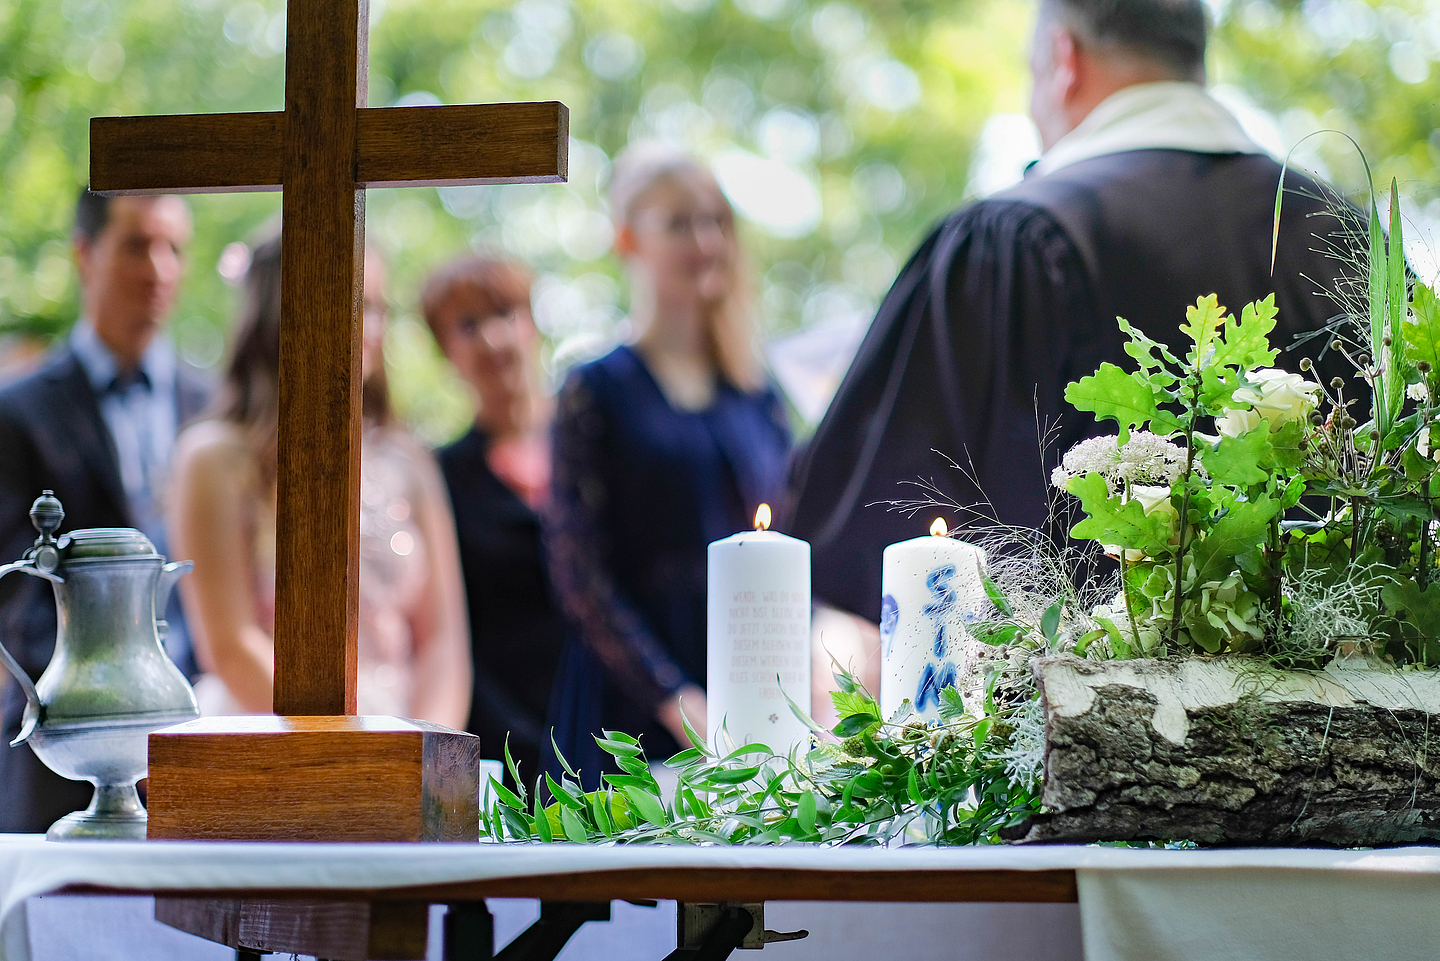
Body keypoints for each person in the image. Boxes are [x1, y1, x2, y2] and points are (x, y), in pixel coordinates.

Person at [785, 0, 1364, 628]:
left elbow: (880, 538)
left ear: (1063, 60)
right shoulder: (1350, 239)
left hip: (1075, 718)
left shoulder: (1013, 241)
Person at [545, 145, 791, 785]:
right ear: (628, 239)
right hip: (622, 710)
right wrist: (678, 699)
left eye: (717, 221)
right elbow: (580, 574)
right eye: (679, 222)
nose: (706, 240)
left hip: (749, 689)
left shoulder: (760, 397)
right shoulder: (593, 389)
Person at [168, 233, 471, 728]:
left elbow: (443, 643)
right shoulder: (214, 458)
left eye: (377, 308)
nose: (369, 327)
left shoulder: (409, 462)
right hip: (269, 732)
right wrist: (346, 746)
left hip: (401, 738)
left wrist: (427, 756)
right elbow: (228, 641)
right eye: (353, 304)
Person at [0, 189, 207, 833]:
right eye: (138, 244)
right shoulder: (20, 411)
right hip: (62, 740)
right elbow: (14, 590)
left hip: (201, 732)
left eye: (175, 248)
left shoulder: (214, 405)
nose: (160, 269)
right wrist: (66, 706)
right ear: (85, 254)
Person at [420, 252, 567, 782]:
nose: (492, 338)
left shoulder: (597, 452)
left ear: (531, 323)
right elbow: (451, 631)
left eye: (505, 314)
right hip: (507, 753)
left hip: (625, 740)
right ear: (445, 352)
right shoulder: (440, 477)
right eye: (467, 326)